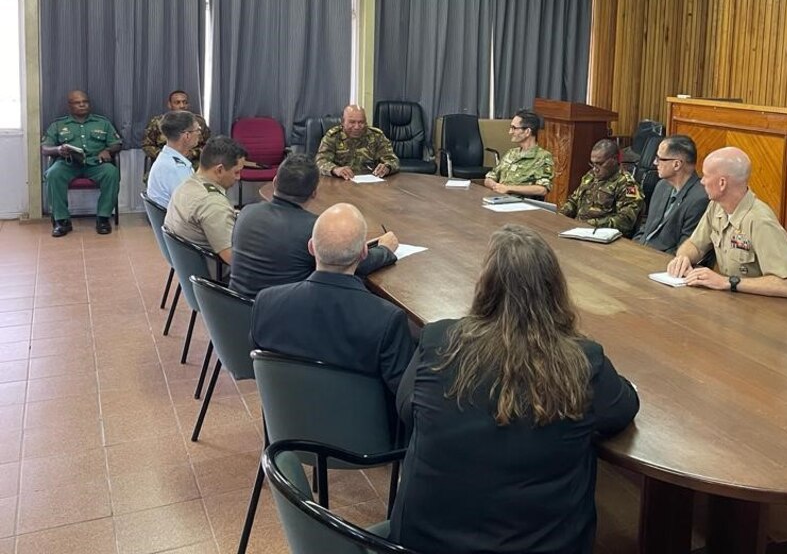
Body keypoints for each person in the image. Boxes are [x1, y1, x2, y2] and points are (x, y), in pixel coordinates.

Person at [390, 224, 639, 554]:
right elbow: (621, 410)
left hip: (424, 542)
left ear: (484, 287)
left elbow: (407, 406)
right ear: (554, 290)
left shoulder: (439, 341)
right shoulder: (583, 359)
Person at [250, 203, 416, 395]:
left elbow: (260, 367)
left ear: (311, 247)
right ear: (364, 252)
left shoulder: (266, 302)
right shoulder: (387, 320)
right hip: (361, 422)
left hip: (285, 418)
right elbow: (404, 398)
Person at [229, 154, 399, 298]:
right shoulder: (314, 229)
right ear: (314, 193)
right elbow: (351, 263)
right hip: (287, 322)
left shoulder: (246, 212)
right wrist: (385, 250)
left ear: (275, 182)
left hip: (231, 317)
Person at [665, 147, 787, 298]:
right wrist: (683, 258)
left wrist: (729, 282)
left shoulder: (761, 221)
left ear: (722, 183)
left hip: (766, 311)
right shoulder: (716, 207)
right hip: (733, 303)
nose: (702, 182)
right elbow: (695, 245)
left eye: (705, 176)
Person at [42, 90, 122, 237]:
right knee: (53, 174)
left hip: (95, 163)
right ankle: (62, 221)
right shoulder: (58, 124)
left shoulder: (102, 123)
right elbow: (45, 148)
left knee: (111, 172)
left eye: (85, 102)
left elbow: (117, 144)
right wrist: (58, 149)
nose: (82, 105)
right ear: (70, 105)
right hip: (68, 163)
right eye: (77, 103)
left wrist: (108, 150)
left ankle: (103, 218)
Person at [164, 135, 247, 266]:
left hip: (188, 267)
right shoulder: (213, 204)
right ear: (219, 170)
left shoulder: (187, 184)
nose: (238, 178)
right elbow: (233, 260)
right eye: (236, 172)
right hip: (216, 276)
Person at [633, 135, 709, 253]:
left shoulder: (700, 199)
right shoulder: (661, 186)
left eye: (659, 158)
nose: (654, 162)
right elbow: (647, 228)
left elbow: (685, 248)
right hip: (641, 253)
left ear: (677, 164)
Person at [559, 139, 644, 236]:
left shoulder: (627, 185)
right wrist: (561, 216)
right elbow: (574, 200)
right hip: (579, 230)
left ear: (615, 159)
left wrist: (591, 224)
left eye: (599, 164)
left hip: (603, 236)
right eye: (592, 163)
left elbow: (625, 221)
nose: (595, 169)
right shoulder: (590, 176)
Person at [483, 109, 553, 197]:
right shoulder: (511, 153)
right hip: (500, 199)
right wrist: (496, 186)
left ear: (527, 131)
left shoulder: (542, 156)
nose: (510, 132)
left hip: (523, 204)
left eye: (514, 128)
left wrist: (508, 188)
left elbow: (542, 189)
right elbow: (489, 178)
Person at [316, 105, 400, 179]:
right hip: (340, 182)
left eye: (361, 122)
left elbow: (393, 160)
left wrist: (387, 167)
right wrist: (335, 169)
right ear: (342, 122)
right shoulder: (333, 137)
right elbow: (320, 161)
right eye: (352, 122)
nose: (357, 127)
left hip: (371, 184)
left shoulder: (377, 136)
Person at [145, 111, 200, 207]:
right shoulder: (177, 169)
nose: (199, 133)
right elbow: (190, 207)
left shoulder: (166, 157)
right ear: (187, 135)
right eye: (197, 130)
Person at [142, 90, 209, 165]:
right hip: (166, 162)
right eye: (177, 102)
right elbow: (147, 146)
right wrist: (164, 154)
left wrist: (193, 153)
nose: (182, 106)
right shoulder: (158, 122)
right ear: (169, 105)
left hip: (193, 163)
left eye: (185, 102)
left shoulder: (198, 122)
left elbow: (207, 146)